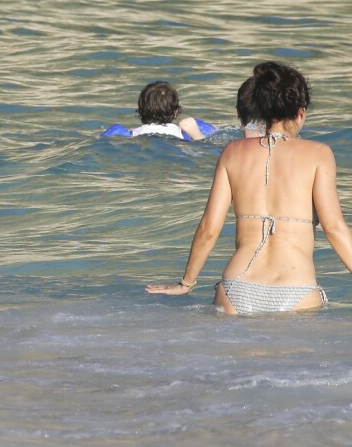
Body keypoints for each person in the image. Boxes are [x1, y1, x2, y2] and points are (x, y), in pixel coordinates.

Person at [146, 61, 352, 314]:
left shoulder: (232, 152)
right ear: (301, 112)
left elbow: (209, 228)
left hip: (236, 289)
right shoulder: (319, 154)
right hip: (296, 290)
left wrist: (186, 282)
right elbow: (334, 229)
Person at [100, 81, 217, 140]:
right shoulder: (186, 134)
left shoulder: (129, 135)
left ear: (140, 110)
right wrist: (197, 136)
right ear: (175, 112)